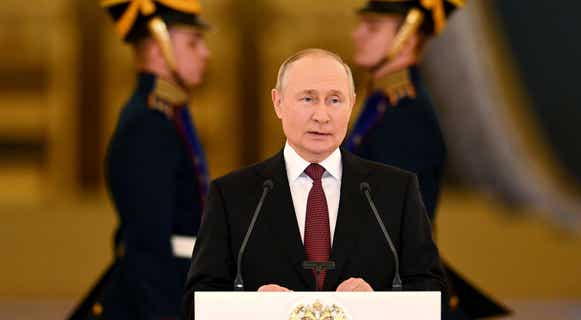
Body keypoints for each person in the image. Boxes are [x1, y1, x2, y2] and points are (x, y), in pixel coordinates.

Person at [182, 48, 448, 319]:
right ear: (278, 102)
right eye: (308, 99)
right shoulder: (232, 195)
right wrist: (253, 307)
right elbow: (197, 301)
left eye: (334, 100)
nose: (322, 116)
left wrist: (377, 304)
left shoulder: (396, 191)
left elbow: (434, 293)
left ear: (352, 104)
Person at [347, 1, 510, 318]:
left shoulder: (406, 117)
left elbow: (397, 226)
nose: (357, 34)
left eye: (372, 27)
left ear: (406, 39)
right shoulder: (383, 106)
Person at [68, 1, 211, 319]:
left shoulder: (168, 114)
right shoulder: (148, 123)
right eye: (193, 42)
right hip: (160, 296)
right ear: (160, 50)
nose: (206, 53)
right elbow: (148, 246)